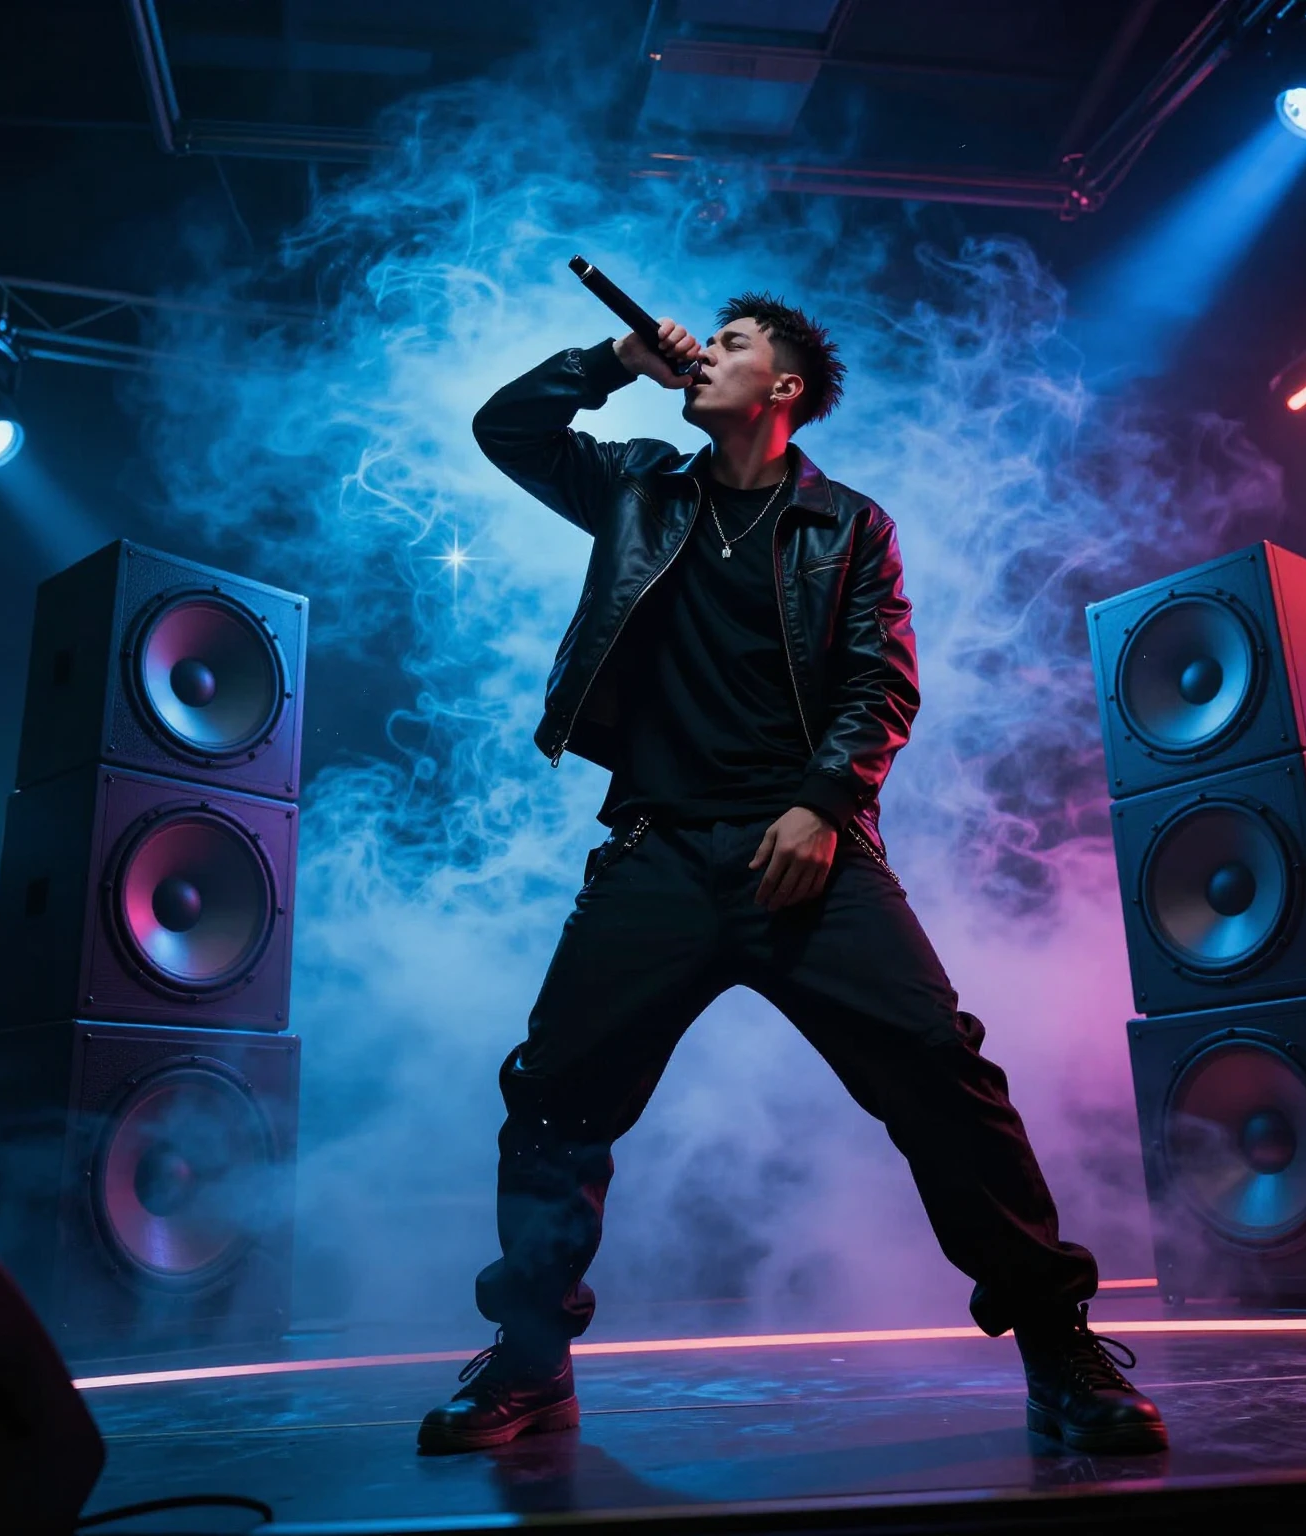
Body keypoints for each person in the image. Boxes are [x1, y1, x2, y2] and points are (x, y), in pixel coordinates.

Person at [417, 294, 1166, 1456]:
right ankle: (531, 1360)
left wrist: (823, 804)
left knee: (941, 1076)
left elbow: (882, 683)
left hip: (809, 850)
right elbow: (505, 429)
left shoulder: (849, 524)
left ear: (782, 389)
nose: (703, 353)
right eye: (704, 340)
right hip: (660, 849)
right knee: (556, 1096)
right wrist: (612, 357)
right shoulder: (638, 486)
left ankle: (1057, 1347)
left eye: (732, 344)